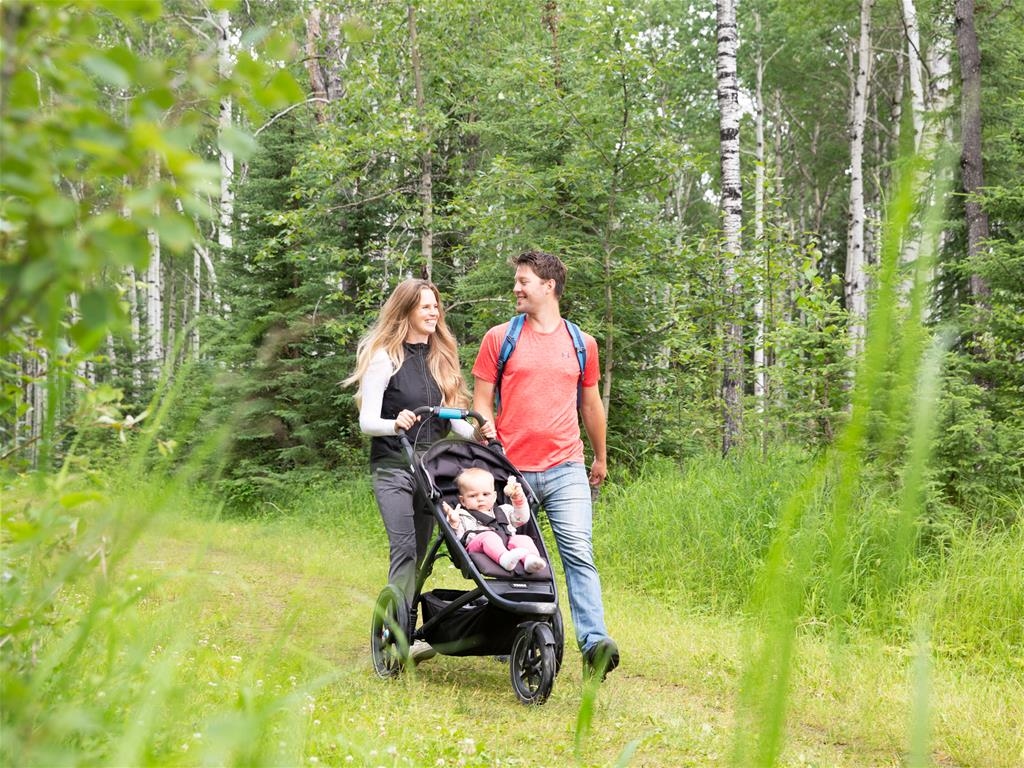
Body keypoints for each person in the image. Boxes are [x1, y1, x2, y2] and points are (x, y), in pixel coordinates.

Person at [472, 250, 619, 682]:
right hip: (510, 469)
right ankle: (511, 636)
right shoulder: (499, 338)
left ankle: (594, 643)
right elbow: (481, 399)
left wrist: (601, 455)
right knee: (511, 557)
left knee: (578, 550)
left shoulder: (581, 343)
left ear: (548, 286)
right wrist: (487, 432)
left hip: (565, 466)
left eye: (524, 281)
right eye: (517, 281)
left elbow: (590, 404)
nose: (516, 288)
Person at [344, 278, 495, 663]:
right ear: (407, 310)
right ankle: (398, 636)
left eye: (435, 306)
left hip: (431, 470)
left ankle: (419, 625)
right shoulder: (385, 357)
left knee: (442, 547)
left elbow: (455, 424)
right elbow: (367, 421)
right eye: (425, 306)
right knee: (406, 549)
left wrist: (479, 431)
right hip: (394, 467)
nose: (433, 312)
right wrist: (395, 422)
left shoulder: (439, 358)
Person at [442, 467, 547, 574]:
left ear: (494, 496)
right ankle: (504, 558)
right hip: (477, 547)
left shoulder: (504, 510)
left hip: (505, 543)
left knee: (522, 538)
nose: (480, 499)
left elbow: (522, 519)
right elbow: (459, 537)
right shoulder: (462, 515)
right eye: (473, 496)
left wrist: (518, 499)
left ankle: (530, 560)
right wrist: (454, 522)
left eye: (485, 494)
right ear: (463, 500)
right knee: (489, 536)